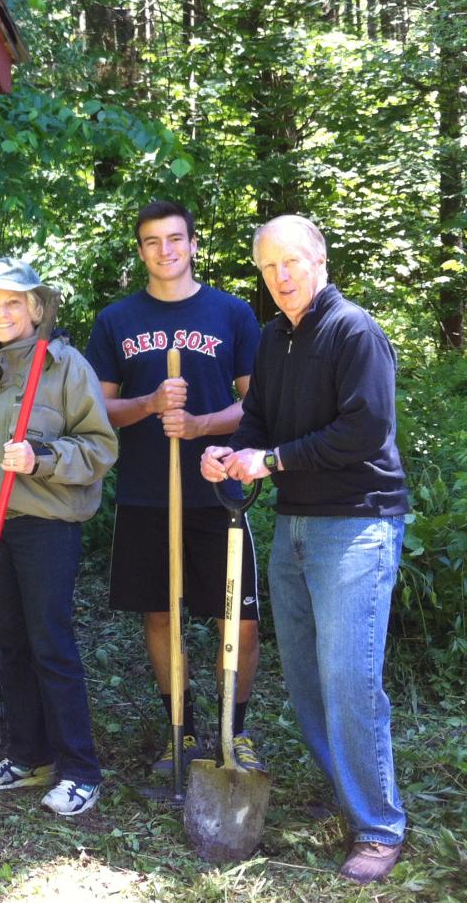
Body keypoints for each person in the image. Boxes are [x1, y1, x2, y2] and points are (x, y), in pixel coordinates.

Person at [202, 215, 409, 885]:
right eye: (268, 267)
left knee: (349, 681)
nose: (281, 276)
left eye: (292, 261)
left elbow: (366, 429)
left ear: (319, 259)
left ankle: (379, 828)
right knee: (309, 682)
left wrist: (273, 460)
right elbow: (257, 421)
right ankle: (347, 795)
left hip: (356, 525)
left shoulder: (355, 331)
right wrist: (232, 456)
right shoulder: (271, 339)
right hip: (294, 525)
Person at [83, 200, 263, 774]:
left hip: (220, 490)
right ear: (141, 251)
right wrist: (151, 403)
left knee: (238, 617)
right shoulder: (117, 320)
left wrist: (201, 425)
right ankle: (179, 729)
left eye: (175, 239)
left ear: (192, 244)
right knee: (160, 615)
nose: (166, 251)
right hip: (146, 492)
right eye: (153, 241)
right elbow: (100, 409)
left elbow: (256, 403)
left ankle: (233, 733)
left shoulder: (231, 314)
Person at [0, 258, 116, 816]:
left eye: (14, 302)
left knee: (50, 643)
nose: (2, 313)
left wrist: (41, 458)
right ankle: (28, 755)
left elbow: (100, 448)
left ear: (36, 308)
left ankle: (79, 770)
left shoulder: (65, 368)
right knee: (6, 641)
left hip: (44, 526)